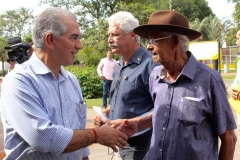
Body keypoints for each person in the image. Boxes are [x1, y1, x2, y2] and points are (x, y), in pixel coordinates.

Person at [0, 7, 127, 160]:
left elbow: (79, 144)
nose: (80, 45)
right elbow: (43, 138)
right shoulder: (19, 81)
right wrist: (95, 135)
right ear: (50, 40)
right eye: (74, 38)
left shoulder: (71, 80)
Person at [118, 10, 237, 160]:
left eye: (154, 40)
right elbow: (166, 113)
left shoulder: (209, 80)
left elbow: (229, 139)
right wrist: (138, 124)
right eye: (148, 41)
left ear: (175, 42)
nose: (148, 47)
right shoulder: (155, 76)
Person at [94, 11, 157, 160]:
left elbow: (163, 107)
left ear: (132, 35)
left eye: (115, 34)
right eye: (109, 35)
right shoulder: (120, 64)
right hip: (120, 143)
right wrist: (107, 113)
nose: (110, 40)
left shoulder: (150, 64)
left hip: (141, 146)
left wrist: (135, 123)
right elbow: (127, 99)